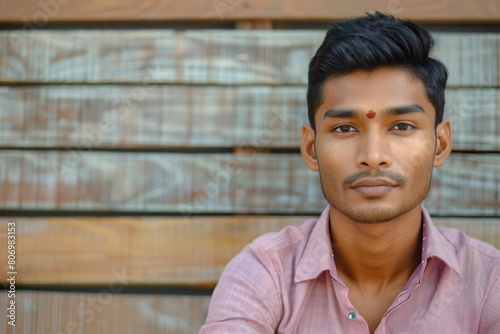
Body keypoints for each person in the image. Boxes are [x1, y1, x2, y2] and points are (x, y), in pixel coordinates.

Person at [199, 12, 500, 334]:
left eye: (401, 126)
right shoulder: (264, 274)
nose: (373, 157)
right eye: (345, 128)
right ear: (311, 148)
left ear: (439, 145)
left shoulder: (487, 281)